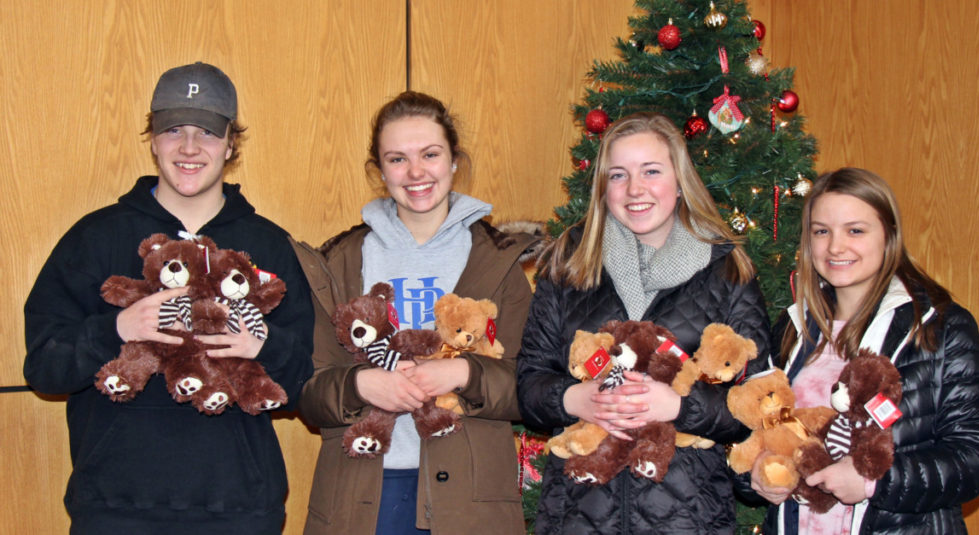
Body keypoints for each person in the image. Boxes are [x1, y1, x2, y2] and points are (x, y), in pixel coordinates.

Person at [22, 62, 314, 534]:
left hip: (238, 510)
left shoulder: (270, 245)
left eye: (207, 132)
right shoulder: (93, 238)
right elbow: (43, 368)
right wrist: (116, 328)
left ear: (231, 143)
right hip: (114, 510)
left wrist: (264, 347)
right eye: (173, 129)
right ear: (152, 138)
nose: (190, 148)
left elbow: (309, 385)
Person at [292, 91, 536, 535]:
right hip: (360, 498)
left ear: (454, 160)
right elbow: (307, 389)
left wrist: (465, 375)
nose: (416, 172)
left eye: (430, 154)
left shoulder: (499, 263)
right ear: (379, 170)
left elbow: (531, 388)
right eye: (397, 159)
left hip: (470, 501)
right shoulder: (338, 262)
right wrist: (359, 383)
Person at [516, 112, 771, 534]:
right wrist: (575, 399)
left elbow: (760, 401)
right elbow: (528, 385)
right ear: (602, 187)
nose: (635, 189)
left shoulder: (726, 269)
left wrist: (678, 406)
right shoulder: (569, 265)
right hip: (579, 515)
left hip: (690, 518)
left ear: (680, 180)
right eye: (618, 175)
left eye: (651, 171)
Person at [753, 167, 979, 534]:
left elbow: (974, 460)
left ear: (889, 235)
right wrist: (755, 474)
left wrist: (874, 481)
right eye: (822, 231)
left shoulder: (940, 329)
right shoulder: (792, 328)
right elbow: (757, 431)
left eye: (855, 230)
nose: (835, 247)